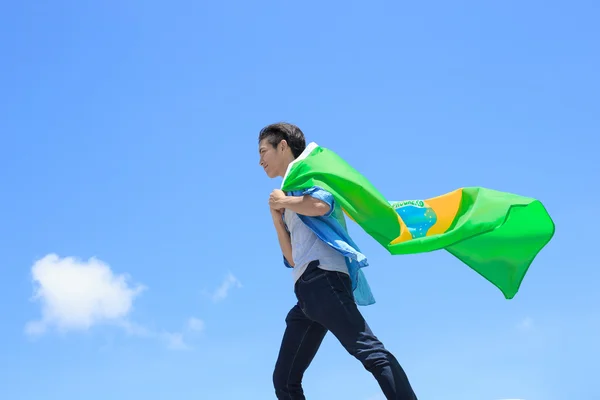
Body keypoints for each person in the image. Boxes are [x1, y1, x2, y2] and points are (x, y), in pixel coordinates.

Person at [258, 122, 418, 400]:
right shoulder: (288, 190)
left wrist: (285, 203)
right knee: (284, 379)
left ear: (282, 145)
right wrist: (276, 216)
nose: (260, 161)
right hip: (306, 292)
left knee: (370, 352)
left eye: (263, 151)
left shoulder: (310, 174)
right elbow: (292, 257)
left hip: (324, 279)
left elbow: (321, 205)